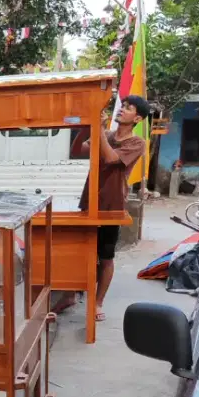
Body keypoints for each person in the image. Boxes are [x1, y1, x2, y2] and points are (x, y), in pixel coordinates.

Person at [58, 95, 150, 321]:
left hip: (112, 206)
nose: (122, 110)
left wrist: (97, 128)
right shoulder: (106, 134)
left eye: (128, 108)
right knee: (80, 251)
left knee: (105, 256)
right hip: (90, 201)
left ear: (137, 117)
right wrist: (85, 127)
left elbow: (110, 159)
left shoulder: (136, 143)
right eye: (123, 106)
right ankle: (71, 295)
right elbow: (77, 151)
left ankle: (97, 302)